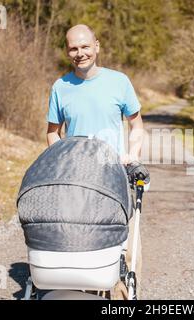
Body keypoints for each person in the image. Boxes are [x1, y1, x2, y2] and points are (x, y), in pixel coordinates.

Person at [46, 24, 148, 299]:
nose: (80, 53)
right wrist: (58, 163)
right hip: (75, 177)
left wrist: (132, 155)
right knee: (78, 238)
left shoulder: (119, 82)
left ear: (97, 46)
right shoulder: (60, 87)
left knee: (122, 242)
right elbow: (53, 133)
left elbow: (136, 126)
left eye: (85, 46)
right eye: (73, 48)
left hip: (112, 174)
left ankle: (123, 292)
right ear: (68, 52)